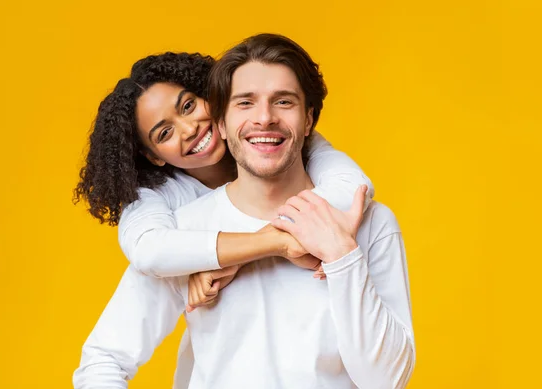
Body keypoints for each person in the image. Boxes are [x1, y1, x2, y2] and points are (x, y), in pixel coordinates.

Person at [73, 34, 414, 389]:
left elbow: (387, 382)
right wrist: (265, 243)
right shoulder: (184, 236)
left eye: (283, 102)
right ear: (223, 121)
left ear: (309, 120)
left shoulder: (369, 222)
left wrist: (343, 254)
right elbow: (103, 360)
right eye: (246, 103)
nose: (264, 118)